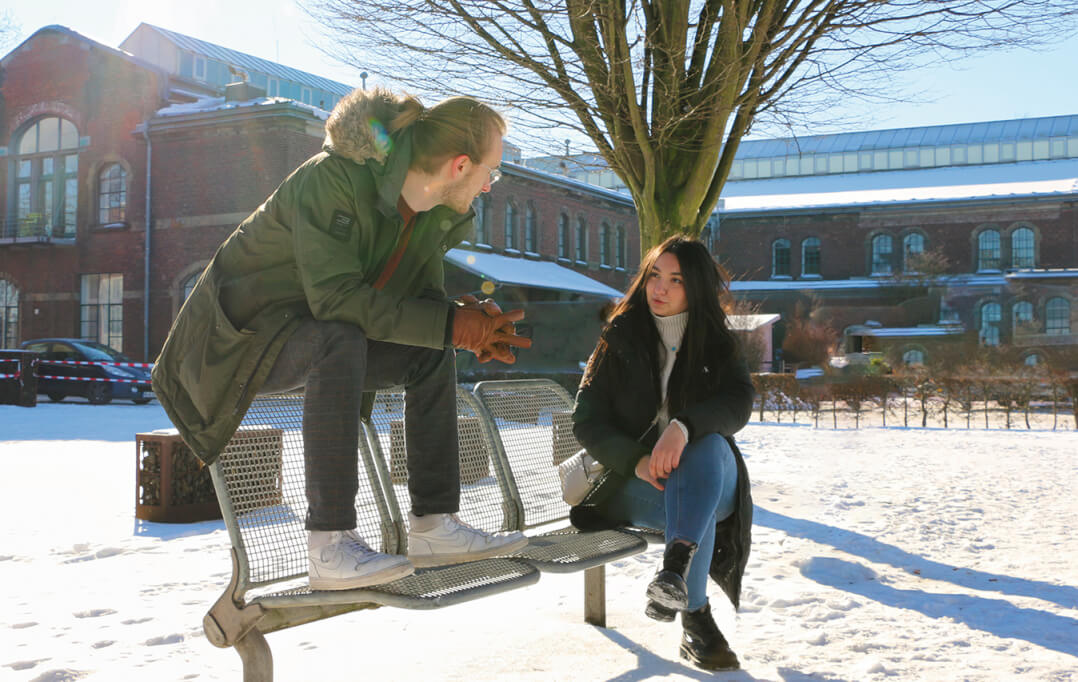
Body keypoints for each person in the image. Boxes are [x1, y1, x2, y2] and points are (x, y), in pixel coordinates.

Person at [152, 88, 533, 591]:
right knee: (341, 337)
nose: (490, 186)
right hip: (235, 341)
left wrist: (460, 323)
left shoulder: (430, 214)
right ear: (461, 165)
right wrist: (446, 324)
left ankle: (433, 527)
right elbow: (335, 300)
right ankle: (329, 545)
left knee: (429, 351)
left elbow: (418, 306)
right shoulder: (331, 179)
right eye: (492, 172)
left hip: (312, 332)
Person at [571, 235, 754, 670]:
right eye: (654, 275)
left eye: (675, 280)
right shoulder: (618, 339)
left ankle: (675, 568)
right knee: (697, 507)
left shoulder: (717, 344)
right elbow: (586, 421)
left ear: (695, 287)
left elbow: (739, 402)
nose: (660, 288)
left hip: (708, 476)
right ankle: (694, 614)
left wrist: (683, 426)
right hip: (634, 484)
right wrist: (635, 462)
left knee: (707, 448)